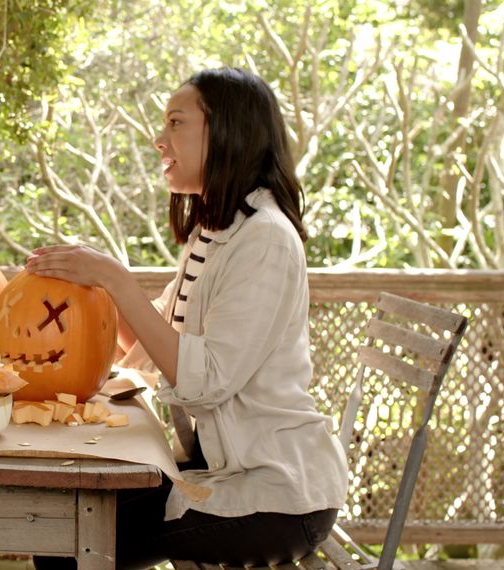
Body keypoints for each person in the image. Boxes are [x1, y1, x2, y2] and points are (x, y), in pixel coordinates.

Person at [25, 67, 348, 568]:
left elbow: (205, 381)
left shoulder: (264, 239)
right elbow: (162, 345)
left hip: (276, 494)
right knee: (61, 522)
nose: (159, 140)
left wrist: (116, 278)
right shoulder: (216, 229)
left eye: (175, 123)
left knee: (67, 543)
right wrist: (97, 293)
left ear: (226, 133)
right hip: (219, 470)